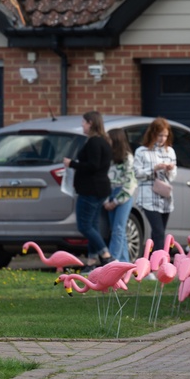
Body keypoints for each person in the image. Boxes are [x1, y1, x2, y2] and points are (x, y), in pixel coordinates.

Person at [63, 111, 114, 268]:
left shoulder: (94, 143)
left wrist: (72, 164)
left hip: (91, 189)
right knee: (93, 225)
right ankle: (91, 261)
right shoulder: (103, 141)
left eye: (84, 122)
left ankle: (106, 255)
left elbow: (93, 165)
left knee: (84, 226)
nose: (82, 125)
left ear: (91, 123)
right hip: (99, 188)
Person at [133, 117, 178, 250]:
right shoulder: (142, 151)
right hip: (148, 196)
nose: (162, 139)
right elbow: (137, 174)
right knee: (158, 231)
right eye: (160, 135)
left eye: (165, 135)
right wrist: (154, 169)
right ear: (153, 133)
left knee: (159, 232)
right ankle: (158, 265)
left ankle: (152, 261)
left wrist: (169, 169)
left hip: (165, 196)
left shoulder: (170, 151)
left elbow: (173, 176)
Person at [103, 128, 138, 263]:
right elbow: (104, 179)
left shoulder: (127, 158)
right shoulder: (108, 157)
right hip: (109, 193)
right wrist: (106, 200)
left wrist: (116, 201)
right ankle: (125, 263)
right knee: (117, 230)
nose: (107, 142)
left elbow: (130, 184)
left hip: (123, 195)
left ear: (116, 140)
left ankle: (113, 261)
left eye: (109, 139)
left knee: (118, 228)